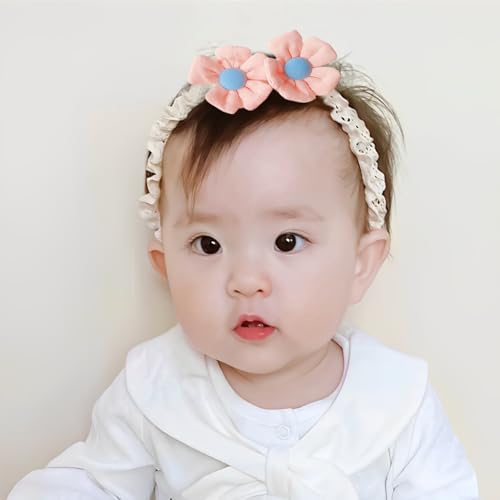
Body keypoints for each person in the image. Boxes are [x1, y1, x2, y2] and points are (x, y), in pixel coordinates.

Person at [8, 29, 479, 500]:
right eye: (208, 244)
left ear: (361, 264)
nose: (247, 281)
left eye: (287, 242)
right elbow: (91, 483)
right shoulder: (156, 386)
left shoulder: (395, 398)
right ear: (166, 267)